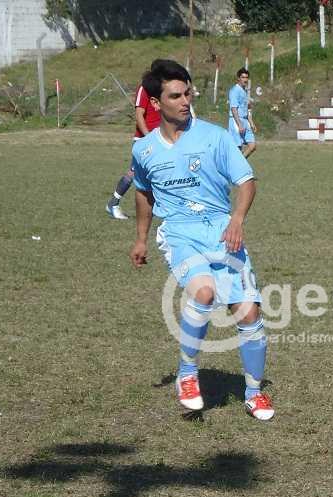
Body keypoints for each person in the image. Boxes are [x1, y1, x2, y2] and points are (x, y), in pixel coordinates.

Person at [130, 60, 273, 421]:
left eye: (187, 93)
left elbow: (247, 182)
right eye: (175, 96)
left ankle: (254, 393)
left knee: (249, 313)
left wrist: (237, 219)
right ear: (156, 103)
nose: (185, 101)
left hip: (221, 230)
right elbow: (143, 194)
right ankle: (187, 373)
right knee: (204, 292)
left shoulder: (215, 137)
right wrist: (141, 239)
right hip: (180, 232)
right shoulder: (144, 150)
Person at [106, 59, 165, 220]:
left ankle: (162, 208)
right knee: (134, 172)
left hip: (162, 139)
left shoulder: (164, 89)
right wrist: (148, 137)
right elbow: (139, 115)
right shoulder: (144, 88)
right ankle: (113, 203)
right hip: (144, 140)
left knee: (163, 171)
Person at [228, 68, 257, 158]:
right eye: (243, 77)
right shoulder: (234, 91)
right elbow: (234, 109)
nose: (245, 79)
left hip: (245, 121)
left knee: (252, 145)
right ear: (238, 78)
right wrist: (239, 124)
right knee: (238, 148)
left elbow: (247, 109)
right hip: (236, 121)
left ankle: (240, 163)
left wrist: (251, 123)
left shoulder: (245, 91)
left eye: (246, 77)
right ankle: (238, 164)